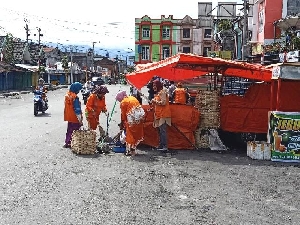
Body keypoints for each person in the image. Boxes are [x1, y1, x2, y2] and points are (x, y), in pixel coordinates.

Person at [116, 90, 145, 156]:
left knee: (130, 135)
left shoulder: (123, 102)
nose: (119, 101)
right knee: (137, 134)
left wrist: (122, 125)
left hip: (132, 120)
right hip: (140, 118)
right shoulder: (132, 97)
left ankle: (130, 151)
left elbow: (123, 116)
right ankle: (133, 149)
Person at [150, 79, 171, 152]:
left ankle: (165, 146)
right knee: (160, 131)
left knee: (163, 131)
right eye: (153, 85)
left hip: (163, 115)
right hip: (159, 115)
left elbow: (163, 103)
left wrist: (154, 101)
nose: (154, 87)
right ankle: (161, 145)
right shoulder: (159, 93)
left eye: (155, 85)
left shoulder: (162, 92)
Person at [63, 82, 83, 148]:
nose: (79, 91)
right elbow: (77, 110)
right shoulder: (75, 98)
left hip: (69, 117)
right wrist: (80, 120)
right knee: (75, 132)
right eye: (78, 90)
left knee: (69, 130)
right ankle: (74, 143)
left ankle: (67, 142)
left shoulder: (67, 95)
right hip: (75, 118)